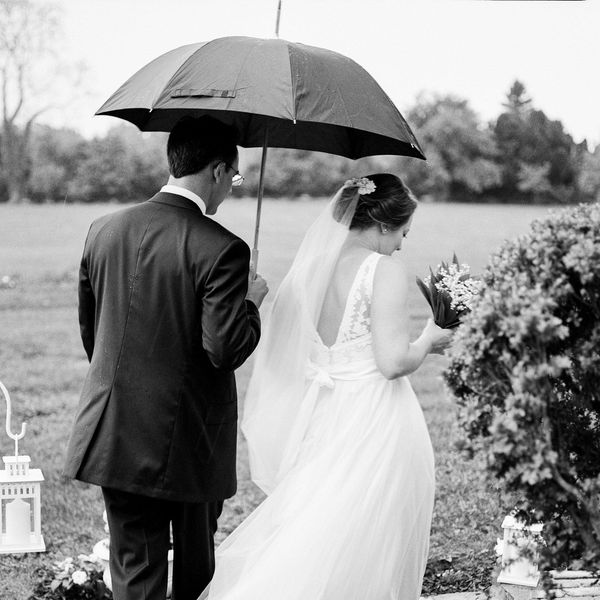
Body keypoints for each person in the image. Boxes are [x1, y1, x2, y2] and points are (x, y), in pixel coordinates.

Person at [200, 173, 453, 600]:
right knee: (367, 532)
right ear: (385, 224)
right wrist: (430, 338)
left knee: (320, 520)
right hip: (374, 419)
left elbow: (292, 353)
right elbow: (392, 363)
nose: (401, 246)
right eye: (403, 234)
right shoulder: (384, 269)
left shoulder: (309, 270)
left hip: (324, 413)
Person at [63, 115, 268, 600]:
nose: (231, 190)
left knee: (136, 571)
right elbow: (224, 349)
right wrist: (252, 303)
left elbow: (95, 337)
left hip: (113, 432)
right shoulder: (223, 249)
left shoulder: (103, 229)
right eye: (234, 178)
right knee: (196, 572)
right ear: (218, 171)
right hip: (190, 440)